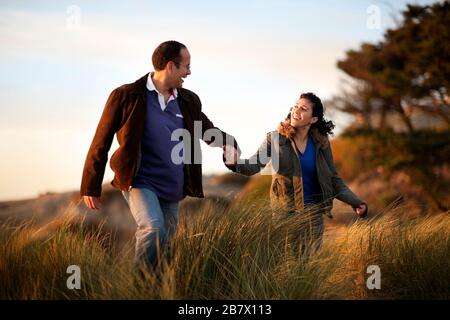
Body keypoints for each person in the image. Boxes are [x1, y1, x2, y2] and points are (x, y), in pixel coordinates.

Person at [81, 40, 239, 269]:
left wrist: (228, 143)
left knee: (165, 243)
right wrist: (90, 185)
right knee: (153, 228)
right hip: (139, 179)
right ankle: (140, 288)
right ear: (170, 66)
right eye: (186, 66)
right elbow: (101, 140)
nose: (189, 72)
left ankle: (157, 288)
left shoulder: (187, 100)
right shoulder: (127, 95)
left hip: (173, 184)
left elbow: (204, 128)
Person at [224, 92, 367, 251]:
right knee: (287, 263)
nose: (296, 111)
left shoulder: (321, 143)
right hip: (285, 214)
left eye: (303, 109)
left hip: (314, 216)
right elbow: (254, 165)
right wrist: (235, 162)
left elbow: (334, 179)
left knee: (309, 267)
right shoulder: (276, 139)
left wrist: (356, 202)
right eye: (296, 106)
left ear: (313, 119)